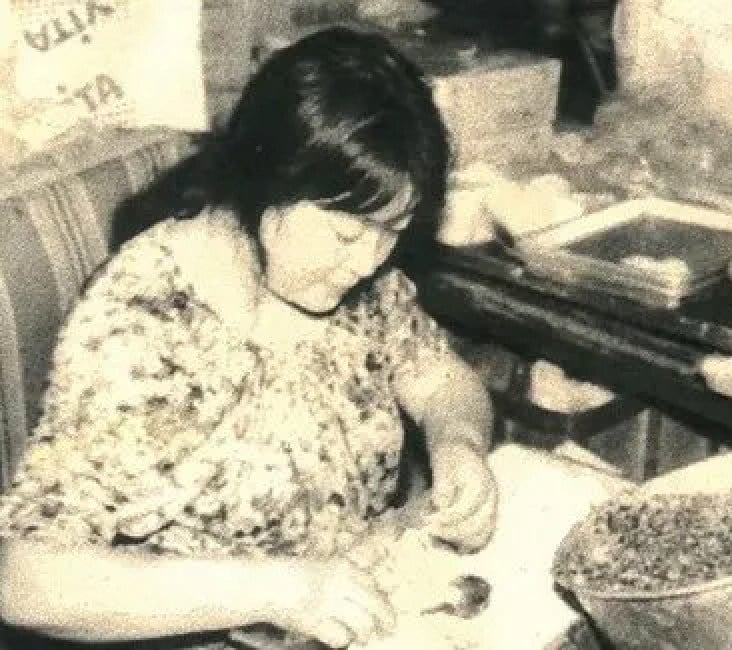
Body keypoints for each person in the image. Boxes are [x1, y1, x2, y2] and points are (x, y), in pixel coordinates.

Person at [0, 26, 499, 649]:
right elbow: (25, 579)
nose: (369, 261)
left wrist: (459, 444)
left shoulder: (351, 275)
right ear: (267, 183)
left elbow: (438, 378)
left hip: (359, 613)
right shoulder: (148, 330)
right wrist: (275, 591)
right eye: (348, 235)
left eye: (393, 231)